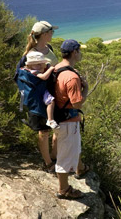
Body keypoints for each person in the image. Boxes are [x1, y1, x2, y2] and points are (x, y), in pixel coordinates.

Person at [54, 39, 90, 199]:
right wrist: (86, 89)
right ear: (74, 52)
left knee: (72, 149)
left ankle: (80, 168)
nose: (80, 53)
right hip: (68, 122)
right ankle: (64, 189)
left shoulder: (56, 68)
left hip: (57, 117)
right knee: (65, 156)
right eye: (79, 51)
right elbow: (76, 104)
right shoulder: (71, 77)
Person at [23, 20, 59, 173]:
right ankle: (48, 162)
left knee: (57, 127)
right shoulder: (31, 55)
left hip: (53, 94)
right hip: (39, 98)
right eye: (51, 31)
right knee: (44, 132)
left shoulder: (48, 48)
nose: (52, 34)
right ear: (45, 34)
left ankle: (54, 156)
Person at [23, 51, 60, 129]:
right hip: (40, 92)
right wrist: (50, 69)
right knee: (51, 102)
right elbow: (44, 77)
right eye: (37, 64)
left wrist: (48, 66)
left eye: (41, 63)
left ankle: (50, 119)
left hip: (40, 91)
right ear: (29, 65)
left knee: (51, 102)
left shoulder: (33, 69)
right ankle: (50, 120)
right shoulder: (33, 71)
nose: (40, 66)